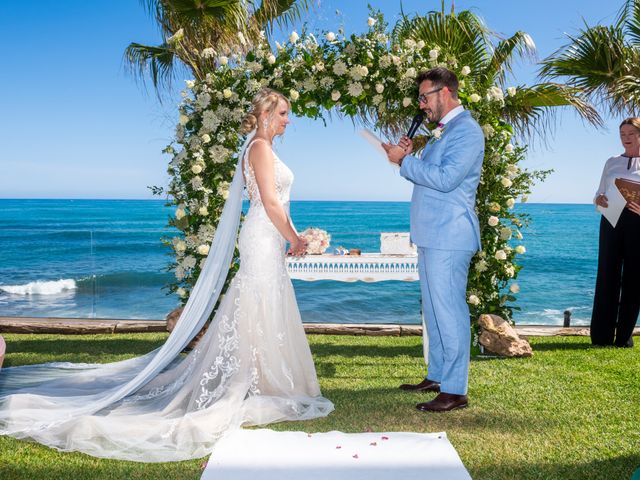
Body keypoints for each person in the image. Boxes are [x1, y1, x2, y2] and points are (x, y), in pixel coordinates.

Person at [0, 88, 333, 461]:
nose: (289, 120)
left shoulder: (266, 149)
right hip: (262, 234)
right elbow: (269, 202)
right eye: (284, 113)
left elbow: (281, 203)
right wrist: (296, 239)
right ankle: (251, 380)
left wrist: (294, 237)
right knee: (256, 300)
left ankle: (266, 377)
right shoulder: (258, 147)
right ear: (268, 114)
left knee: (265, 303)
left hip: (270, 236)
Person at [383, 68, 485, 412]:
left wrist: (405, 161)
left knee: (450, 310)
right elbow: (431, 175)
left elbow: (445, 179)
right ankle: (439, 374)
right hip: (432, 234)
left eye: (425, 97)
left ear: (445, 93)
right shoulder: (444, 133)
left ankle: (455, 389)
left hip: (450, 234)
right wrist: (411, 155)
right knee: (434, 310)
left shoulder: (467, 131)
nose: (421, 104)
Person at [592, 117, 640, 347]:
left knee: (633, 278)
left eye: (631, 133)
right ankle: (601, 335)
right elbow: (599, 193)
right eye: (622, 134)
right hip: (611, 219)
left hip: (637, 222)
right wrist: (598, 199)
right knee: (607, 275)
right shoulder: (611, 161)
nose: (626, 138)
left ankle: (624, 337)